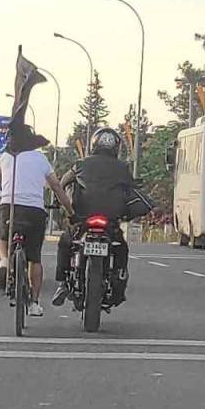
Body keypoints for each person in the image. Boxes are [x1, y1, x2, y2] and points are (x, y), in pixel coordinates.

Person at [0, 131, 74, 318]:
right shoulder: (41, 159)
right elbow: (56, 186)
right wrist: (70, 211)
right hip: (34, 211)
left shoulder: (6, 157)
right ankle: (34, 303)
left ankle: (4, 260)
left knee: (2, 237)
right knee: (35, 258)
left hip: (9, 207)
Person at [53, 127, 135, 307]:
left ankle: (62, 282)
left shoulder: (80, 164)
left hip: (83, 219)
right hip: (110, 221)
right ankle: (119, 278)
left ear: (93, 144)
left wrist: (61, 205)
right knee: (121, 248)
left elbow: (62, 183)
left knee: (66, 242)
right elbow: (132, 191)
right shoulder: (123, 168)